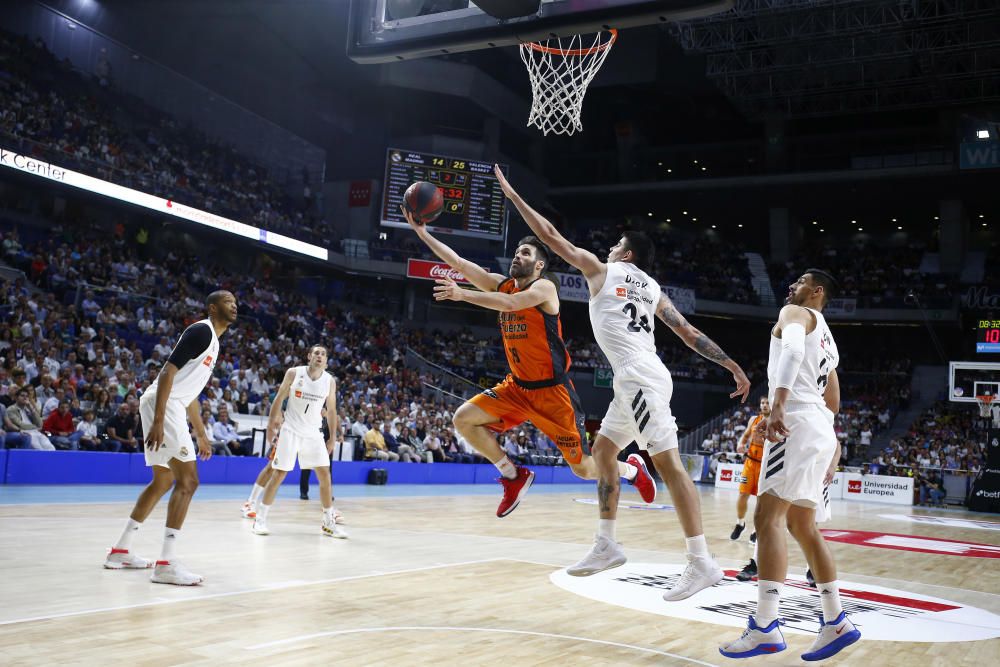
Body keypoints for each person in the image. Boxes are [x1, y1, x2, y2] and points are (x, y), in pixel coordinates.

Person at [493, 167, 749, 602]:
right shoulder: (651, 289)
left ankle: (701, 561)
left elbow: (552, 237)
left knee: (669, 464)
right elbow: (688, 333)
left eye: (616, 246)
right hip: (639, 377)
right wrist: (733, 366)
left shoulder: (603, 271)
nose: (609, 249)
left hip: (638, 377)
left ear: (626, 255)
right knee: (603, 451)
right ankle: (608, 543)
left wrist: (515, 197)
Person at [405, 205, 654, 517]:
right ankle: (513, 475)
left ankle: (632, 471)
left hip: (553, 394)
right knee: (463, 419)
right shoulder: (503, 284)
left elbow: (511, 304)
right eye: (516, 253)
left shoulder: (546, 287)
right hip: (517, 388)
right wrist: (422, 232)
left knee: (585, 469)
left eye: (524, 253)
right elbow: (457, 263)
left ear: (539, 266)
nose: (516, 257)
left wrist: (463, 295)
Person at [719, 270, 860, 661]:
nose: (791, 287)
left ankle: (765, 625)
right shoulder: (829, 340)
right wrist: (817, 432)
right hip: (819, 427)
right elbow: (833, 400)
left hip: (796, 422)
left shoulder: (794, 313)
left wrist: (779, 404)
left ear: (817, 292)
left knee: (767, 521)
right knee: (802, 525)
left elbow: (794, 351)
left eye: (800, 282)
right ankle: (836, 621)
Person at [103, 290, 237, 585]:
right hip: (163, 405)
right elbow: (166, 373)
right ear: (213, 307)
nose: (234, 305)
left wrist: (201, 434)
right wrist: (160, 419)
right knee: (188, 481)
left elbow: (188, 395)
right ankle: (165, 563)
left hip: (168, 404)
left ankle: (119, 550)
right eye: (228, 301)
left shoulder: (213, 343)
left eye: (235, 301)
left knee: (163, 481)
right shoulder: (201, 331)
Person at [251, 345, 346, 538]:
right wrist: (271, 425)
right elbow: (279, 397)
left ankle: (328, 523)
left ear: (326, 361)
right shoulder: (294, 373)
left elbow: (332, 411)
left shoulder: (329, 381)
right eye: (316, 353)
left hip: (313, 434)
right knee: (279, 474)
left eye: (323, 354)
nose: (319, 356)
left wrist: (332, 438)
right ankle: (260, 519)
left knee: (325, 476)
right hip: (291, 431)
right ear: (309, 356)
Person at [731, 397, 770, 544]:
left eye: (767, 403)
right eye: (762, 403)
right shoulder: (754, 419)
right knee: (742, 494)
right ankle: (740, 523)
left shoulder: (775, 421)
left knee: (761, 500)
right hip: (749, 463)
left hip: (765, 466)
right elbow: (746, 435)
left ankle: (756, 529)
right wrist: (740, 444)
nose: (764, 405)